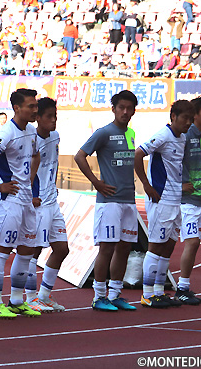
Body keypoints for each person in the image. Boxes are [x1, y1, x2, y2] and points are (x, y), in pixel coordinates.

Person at [75, 90, 139, 311]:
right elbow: (79, 156)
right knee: (107, 248)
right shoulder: (104, 133)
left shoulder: (131, 133)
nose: (125, 112)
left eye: (129, 108)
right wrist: (96, 182)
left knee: (124, 248)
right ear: (113, 109)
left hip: (129, 200)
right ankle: (99, 296)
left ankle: (115, 294)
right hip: (109, 201)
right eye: (121, 107)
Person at [0, 88, 41, 319]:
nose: (35, 110)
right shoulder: (6, 132)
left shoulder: (32, 131)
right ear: (17, 108)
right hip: (9, 201)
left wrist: (30, 179)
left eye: (36, 106)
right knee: (2, 251)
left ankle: (17, 300)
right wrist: (0, 186)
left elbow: (36, 155)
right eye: (31, 106)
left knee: (26, 250)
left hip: (26, 198)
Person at [135, 100, 194, 308]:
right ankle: (147, 294)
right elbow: (138, 154)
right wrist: (146, 185)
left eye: (191, 119)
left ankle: (159, 291)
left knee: (169, 246)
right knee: (155, 246)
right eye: (185, 118)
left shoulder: (182, 138)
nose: (188, 122)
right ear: (173, 117)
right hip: (161, 199)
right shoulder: (162, 136)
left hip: (175, 200)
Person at [24, 97, 68, 312]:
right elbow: (26, 170)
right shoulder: (31, 140)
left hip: (53, 201)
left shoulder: (56, 136)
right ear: (38, 118)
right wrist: (31, 195)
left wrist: (53, 185)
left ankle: (44, 295)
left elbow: (53, 164)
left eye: (55, 116)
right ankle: (30, 297)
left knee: (62, 249)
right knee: (34, 250)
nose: (53, 121)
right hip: (39, 203)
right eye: (49, 117)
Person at [175, 97, 201, 306]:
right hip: (186, 199)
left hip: (200, 197)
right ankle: (181, 288)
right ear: (194, 115)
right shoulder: (185, 136)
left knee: (194, 243)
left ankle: (181, 286)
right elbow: (174, 161)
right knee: (192, 241)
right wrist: (180, 184)